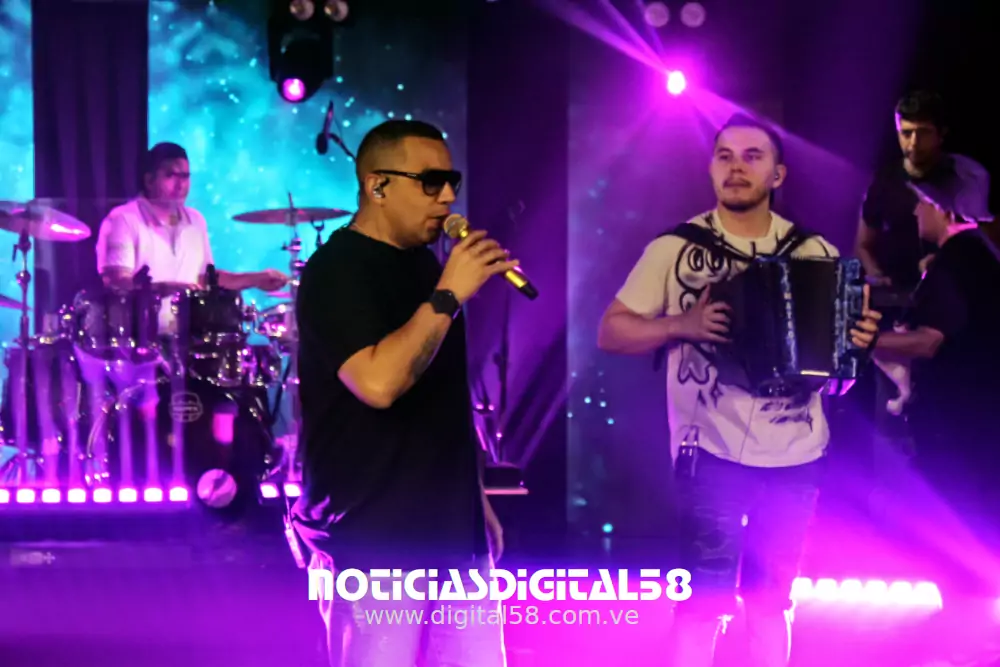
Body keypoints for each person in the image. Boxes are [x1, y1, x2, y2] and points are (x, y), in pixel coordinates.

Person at [597, 114, 881, 667]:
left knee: (772, 603)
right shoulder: (676, 249)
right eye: (724, 156)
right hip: (710, 450)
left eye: (752, 156)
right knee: (703, 604)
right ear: (710, 169)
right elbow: (611, 331)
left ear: (778, 174)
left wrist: (857, 349)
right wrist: (682, 325)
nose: (736, 167)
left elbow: (839, 383)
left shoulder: (816, 253)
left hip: (797, 454)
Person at [291, 120, 511, 667]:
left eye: (452, 181)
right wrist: (448, 295)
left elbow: (442, 394)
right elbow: (378, 384)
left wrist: (474, 495)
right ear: (378, 186)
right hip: (373, 530)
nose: (448, 197)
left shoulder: (425, 264)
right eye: (431, 181)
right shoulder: (335, 270)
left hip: (449, 523)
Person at [874, 156, 1000, 625]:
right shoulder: (983, 257)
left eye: (922, 202)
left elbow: (929, 340)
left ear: (943, 209)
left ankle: (967, 638)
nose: (914, 212)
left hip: (956, 433)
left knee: (956, 530)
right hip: (977, 429)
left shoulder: (955, 262)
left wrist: (860, 340)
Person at [96, 142, 289, 308]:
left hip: (187, 333)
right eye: (171, 176)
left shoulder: (196, 220)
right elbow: (117, 285)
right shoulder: (124, 219)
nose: (181, 185)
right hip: (139, 335)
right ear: (149, 180)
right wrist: (168, 289)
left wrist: (256, 279)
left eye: (185, 176)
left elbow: (206, 279)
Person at [855, 90, 949, 290]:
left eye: (923, 133)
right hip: (896, 296)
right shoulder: (883, 182)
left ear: (941, 134)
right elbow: (863, 245)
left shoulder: (961, 179)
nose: (914, 143)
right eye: (906, 133)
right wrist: (876, 274)